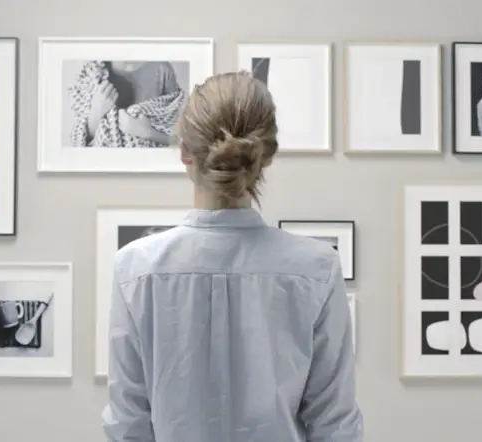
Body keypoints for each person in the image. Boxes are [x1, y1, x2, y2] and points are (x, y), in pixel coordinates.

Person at [101, 71, 363, 442]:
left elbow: (128, 425)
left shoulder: (135, 268)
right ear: (265, 157)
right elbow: (335, 425)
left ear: (184, 154)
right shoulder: (317, 267)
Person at [67, 61, 186, 148]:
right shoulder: (91, 74)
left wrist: (147, 133)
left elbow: (181, 142)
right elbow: (78, 145)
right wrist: (96, 112)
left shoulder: (162, 70)